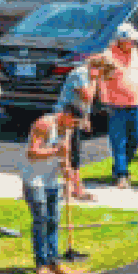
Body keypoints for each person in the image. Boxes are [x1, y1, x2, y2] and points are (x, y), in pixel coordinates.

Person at [24, 106, 86, 274]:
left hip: (52, 180)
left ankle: (54, 263)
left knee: (54, 221)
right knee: (41, 220)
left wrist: (67, 171)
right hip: (34, 180)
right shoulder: (44, 124)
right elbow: (31, 153)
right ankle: (41, 265)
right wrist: (55, 151)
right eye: (74, 122)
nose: (74, 127)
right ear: (66, 115)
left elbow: (65, 154)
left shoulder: (67, 130)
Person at [92, 23, 138, 190]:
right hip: (115, 105)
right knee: (119, 141)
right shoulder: (108, 55)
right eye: (131, 40)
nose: (134, 42)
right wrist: (103, 98)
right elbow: (99, 77)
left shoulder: (135, 52)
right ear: (121, 40)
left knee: (136, 139)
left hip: (135, 103)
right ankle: (122, 175)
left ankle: (118, 168)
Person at [54, 55, 98, 201]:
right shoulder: (80, 74)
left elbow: (85, 103)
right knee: (67, 153)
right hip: (64, 116)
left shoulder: (88, 75)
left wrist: (86, 117)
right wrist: (94, 80)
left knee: (74, 153)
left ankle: (75, 189)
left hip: (75, 115)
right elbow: (88, 96)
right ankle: (73, 189)